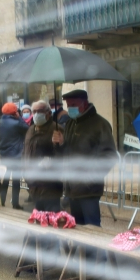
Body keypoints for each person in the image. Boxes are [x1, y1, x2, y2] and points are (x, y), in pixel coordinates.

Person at [52, 89, 117, 226]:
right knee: (78, 229)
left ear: (85, 103)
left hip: (89, 190)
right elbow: (66, 153)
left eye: (73, 104)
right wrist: (60, 144)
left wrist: (91, 177)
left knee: (92, 229)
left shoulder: (100, 124)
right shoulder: (70, 123)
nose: (70, 108)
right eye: (68, 105)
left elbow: (110, 156)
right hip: (72, 189)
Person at [23, 100, 63, 211]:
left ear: (49, 113)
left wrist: (52, 159)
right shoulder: (31, 130)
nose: (36, 114)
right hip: (33, 183)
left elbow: (64, 155)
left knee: (51, 217)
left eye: (40, 111)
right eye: (34, 111)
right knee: (37, 217)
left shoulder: (56, 129)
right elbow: (25, 150)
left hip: (49, 185)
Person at [0, 102, 28, 209]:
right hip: (16, 156)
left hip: (4, 156)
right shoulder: (17, 123)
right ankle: (15, 203)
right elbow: (27, 128)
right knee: (16, 181)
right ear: (15, 112)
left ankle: (2, 201)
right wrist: (19, 118)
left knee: (5, 180)